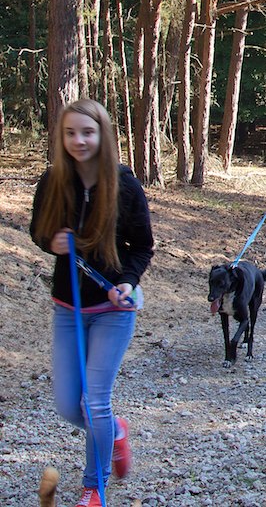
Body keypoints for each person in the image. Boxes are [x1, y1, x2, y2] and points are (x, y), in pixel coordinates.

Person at [30, 99, 154, 507]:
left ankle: (93, 488)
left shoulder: (124, 184)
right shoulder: (53, 181)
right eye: (70, 133)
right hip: (67, 308)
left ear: (102, 135)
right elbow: (37, 230)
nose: (79, 141)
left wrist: (127, 282)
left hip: (113, 310)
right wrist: (51, 241)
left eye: (87, 132)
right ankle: (115, 431)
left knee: (94, 401)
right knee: (69, 406)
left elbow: (143, 246)